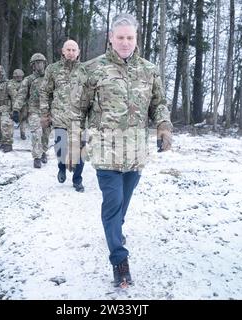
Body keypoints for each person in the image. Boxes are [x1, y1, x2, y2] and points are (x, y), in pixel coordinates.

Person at [82, 13, 173, 288]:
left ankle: (114, 231)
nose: (125, 42)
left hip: (135, 153)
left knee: (121, 206)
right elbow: (79, 107)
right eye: (120, 37)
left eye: (129, 37)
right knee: (112, 204)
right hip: (105, 151)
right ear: (111, 38)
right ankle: (119, 260)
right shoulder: (92, 69)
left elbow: (158, 103)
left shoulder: (149, 69)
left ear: (136, 39)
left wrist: (164, 126)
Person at [39, 40, 87, 192]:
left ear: (78, 52)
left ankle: (77, 179)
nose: (71, 53)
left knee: (80, 151)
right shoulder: (53, 69)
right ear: (63, 51)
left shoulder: (85, 70)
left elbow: (92, 94)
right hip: (59, 116)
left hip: (79, 118)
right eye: (69, 50)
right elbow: (44, 92)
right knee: (61, 147)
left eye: (74, 50)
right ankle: (61, 167)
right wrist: (45, 114)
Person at [13, 53, 51, 168]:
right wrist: (16, 109)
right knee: (36, 133)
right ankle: (36, 157)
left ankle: (43, 151)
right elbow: (21, 95)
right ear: (32, 65)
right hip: (34, 110)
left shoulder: (50, 78)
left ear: (45, 63)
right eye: (36, 63)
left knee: (46, 134)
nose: (39, 65)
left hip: (47, 111)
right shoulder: (28, 80)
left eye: (41, 62)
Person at [8, 69, 26, 139]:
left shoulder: (24, 82)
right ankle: (10, 134)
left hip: (24, 104)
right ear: (14, 76)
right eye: (18, 76)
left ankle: (23, 134)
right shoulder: (10, 83)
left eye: (21, 76)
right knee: (12, 119)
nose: (19, 78)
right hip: (13, 104)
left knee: (23, 119)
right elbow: (13, 94)